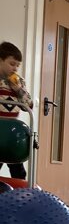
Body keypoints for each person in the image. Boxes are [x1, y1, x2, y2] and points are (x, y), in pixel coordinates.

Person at [0, 41, 33, 180]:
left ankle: (21, 190)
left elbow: (28, 105)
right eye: (12, 64)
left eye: (18, 65)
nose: (15, 68)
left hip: (12, 131)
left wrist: (18, 89)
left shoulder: (20, 82)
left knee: (17, 169)